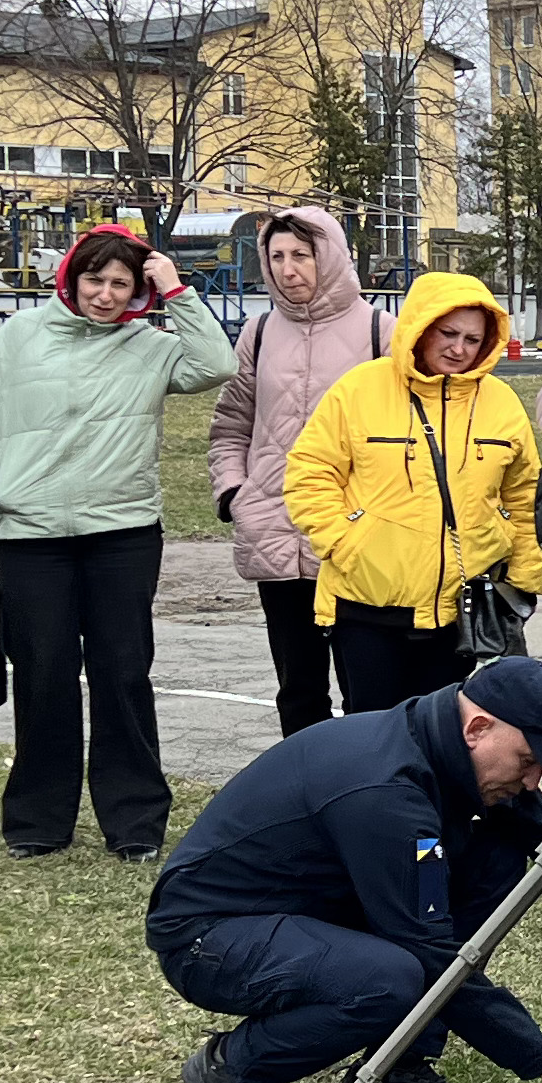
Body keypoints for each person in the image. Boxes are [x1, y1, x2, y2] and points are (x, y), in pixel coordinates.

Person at [154, 655, 542, 1083]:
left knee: (497, 855)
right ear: (477, 728)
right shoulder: (383, 789)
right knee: (390, 978)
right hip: (210, 935)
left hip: (308, 912)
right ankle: (233, 1068)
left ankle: (398, 1064)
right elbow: (431, 954)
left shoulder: (452, 754)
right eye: (527, 761)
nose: (531, 782)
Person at [0, 226, 237, 859]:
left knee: (122, 674)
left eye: (121, 284)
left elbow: (218, 363)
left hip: (123, 535)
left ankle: (134, 823)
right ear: (71, 278)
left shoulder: (150, 346)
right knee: (43, 673)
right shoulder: (19, 336)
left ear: (139, 290)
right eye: (94, 280)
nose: (106, 295)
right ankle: (37, 823)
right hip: (30, 535)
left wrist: (178, 290)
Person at [286, 269, 542, 716]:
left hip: (462, 612)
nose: (459, 349)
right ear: (420, 327)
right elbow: (309, 473)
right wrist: (346, 542)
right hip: (368, 607)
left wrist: (524, 571)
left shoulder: (501, 402)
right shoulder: (359, 389)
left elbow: (524, 494)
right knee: (375, 740)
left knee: (450, 740)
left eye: (472, 339)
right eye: (448, 333)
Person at [208, 204, 390, 735]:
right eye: (278, 256)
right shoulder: (259, 333)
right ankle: (305, 795)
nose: (289, 268)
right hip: (274, 534)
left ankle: (368, 798)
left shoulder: (382, 332)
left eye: (302, 255)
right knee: (298, 689)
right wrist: (235, 493)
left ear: (329, 255)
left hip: (357, 539)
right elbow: (230, 426)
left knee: (367, 688)